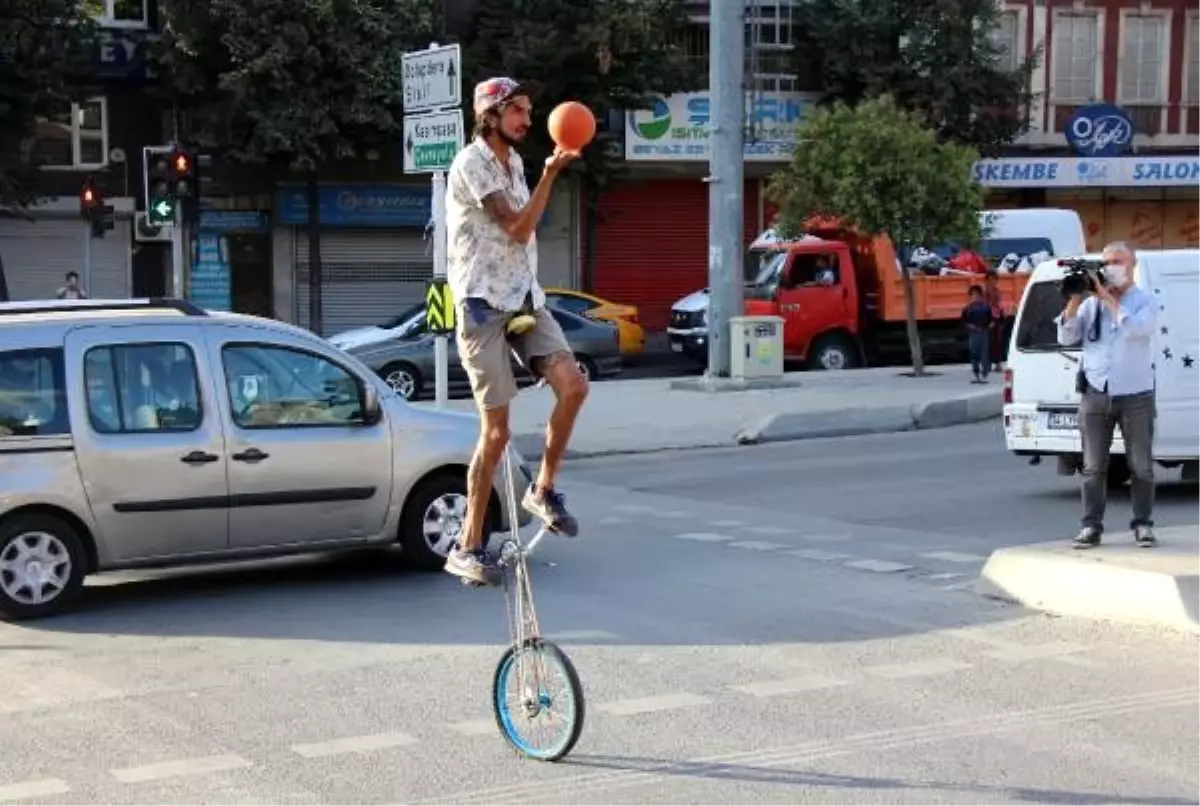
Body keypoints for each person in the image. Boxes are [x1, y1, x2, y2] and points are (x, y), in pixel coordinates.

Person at [441, 76, 589, 586]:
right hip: (482, 306)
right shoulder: (472, 163)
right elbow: (519, 228)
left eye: (529, 109)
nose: (528, 119)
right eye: (518, 110)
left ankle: (542, 489)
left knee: (574, 385)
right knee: (497, 432)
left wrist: (541, 173)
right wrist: (551, 174)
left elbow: (523, 234)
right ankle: (467, 544)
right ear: (491, 115)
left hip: (524, 296)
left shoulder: (515, 162)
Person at [1056, 241, 1157, 549]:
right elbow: (1066, 336)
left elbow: (1137, 330)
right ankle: (1091, 526)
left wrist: (1108, 298)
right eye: (1107, 261)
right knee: (1093, 466)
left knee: (1140, 466)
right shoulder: (1090, 306)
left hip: (1135, 394)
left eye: (1118, 261)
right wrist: (1075, 299)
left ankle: (1142, 524)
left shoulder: (1145, 301)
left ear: (1132, 266)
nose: (1111, 267)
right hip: (1095, 393)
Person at [961, 284, 995, 383]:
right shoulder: (968, 308)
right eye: (972, 295)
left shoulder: (986, 307)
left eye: (976, 295)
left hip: (984, 333)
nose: (974, 297)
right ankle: (976, 374)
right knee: (974, 354)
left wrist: (989, 327)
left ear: (980, 295)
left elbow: (993, 319)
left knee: (984, 354)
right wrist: (970, 326)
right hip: (973, 334)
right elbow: (964, 322)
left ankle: (985, 373)